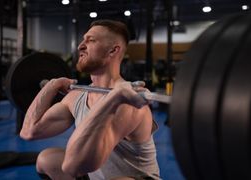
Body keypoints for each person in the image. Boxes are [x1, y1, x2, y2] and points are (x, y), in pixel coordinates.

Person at [20, 19, 160, 180]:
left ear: (113, 51)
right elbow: (29, 131)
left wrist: (112, 99)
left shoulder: (128, 104)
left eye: (91, 40)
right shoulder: (77, 97)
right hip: (98, 176)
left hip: (136, 178)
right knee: (48, 160)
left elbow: (74, 166)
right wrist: (50, 87)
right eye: (83, 39)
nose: (80, 45)